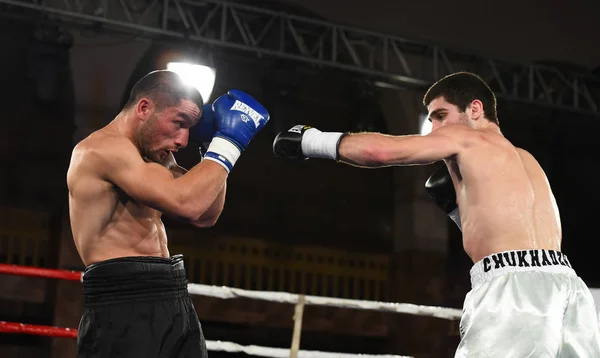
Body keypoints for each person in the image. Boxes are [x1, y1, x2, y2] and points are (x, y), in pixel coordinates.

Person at [272, 71, 600, 357]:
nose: (435, 128)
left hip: (512, 292)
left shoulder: (466, 139)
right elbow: (508, 236)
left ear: (475, 109)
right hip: (570, 289)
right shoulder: (527, 160)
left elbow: (381, 152)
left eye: (440, 115)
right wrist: (459, 212)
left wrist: (312, 141)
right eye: (431, 119)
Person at [66, 70, 270, 358]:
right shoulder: (102, 149)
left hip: (171, 293)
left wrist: (211, 148)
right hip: (124, 302)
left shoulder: (154, 157)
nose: (183, 139)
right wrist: (229, 143)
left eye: (190, 128)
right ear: (144, 108)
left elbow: (205, 213)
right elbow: (186, 203)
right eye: (179, 123)